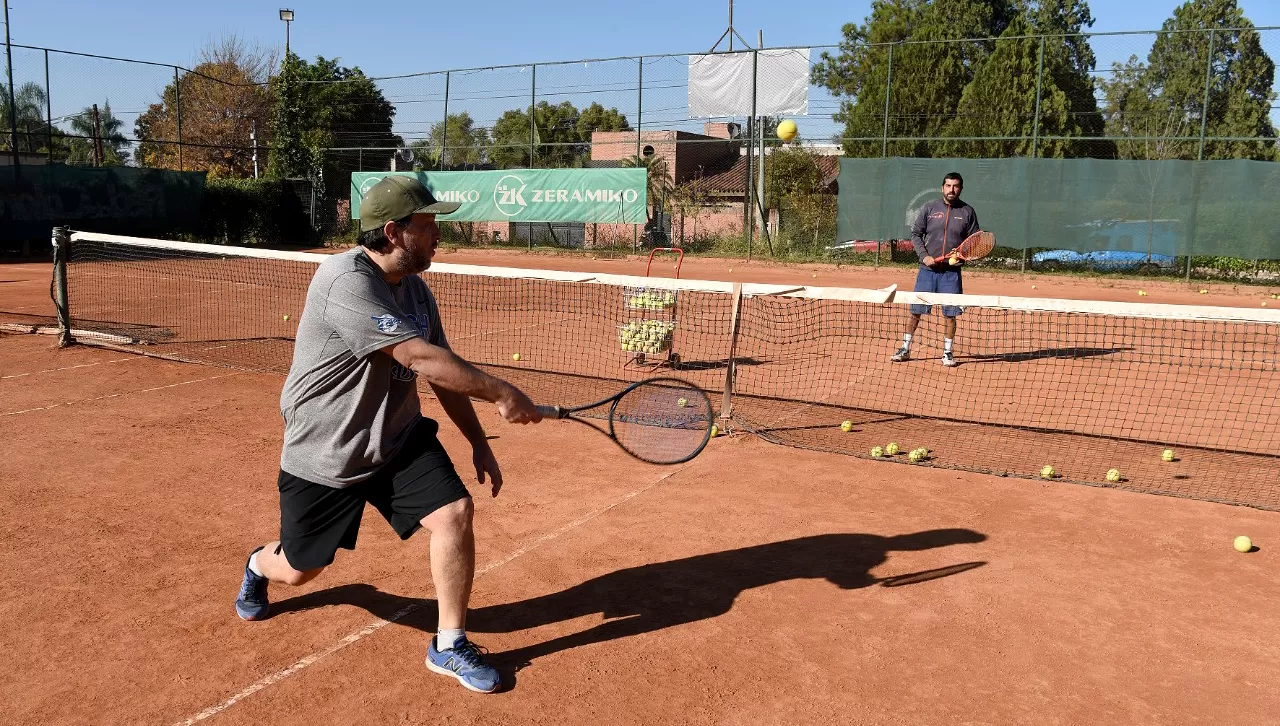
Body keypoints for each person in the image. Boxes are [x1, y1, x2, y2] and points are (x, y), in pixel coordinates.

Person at [234, 175, 543, 694]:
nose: (438, 235)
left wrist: (478, 440)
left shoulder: (416, 290)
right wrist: (503, 393)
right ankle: (257, 563)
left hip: (397, 439)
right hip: (327, 454)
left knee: (454, 513)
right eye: (428, 224)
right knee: (299, 570)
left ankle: (448, 644)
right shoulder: (344, 280)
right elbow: (416, 357)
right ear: (395, 232)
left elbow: (440, 370)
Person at [891, 172, 980, 367]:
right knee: (915, 311)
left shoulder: (967, 212)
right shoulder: (929, 208)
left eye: (955, 186)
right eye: (948, 185)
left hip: (951, 274)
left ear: (960, 189)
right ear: (942, 187)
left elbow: (975, 242)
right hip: (927, 271)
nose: (951, 190)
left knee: (950, 314)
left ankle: (947, 352)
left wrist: (962, 257)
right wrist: (925, 256)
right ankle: (905, 348)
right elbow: (916, 234)